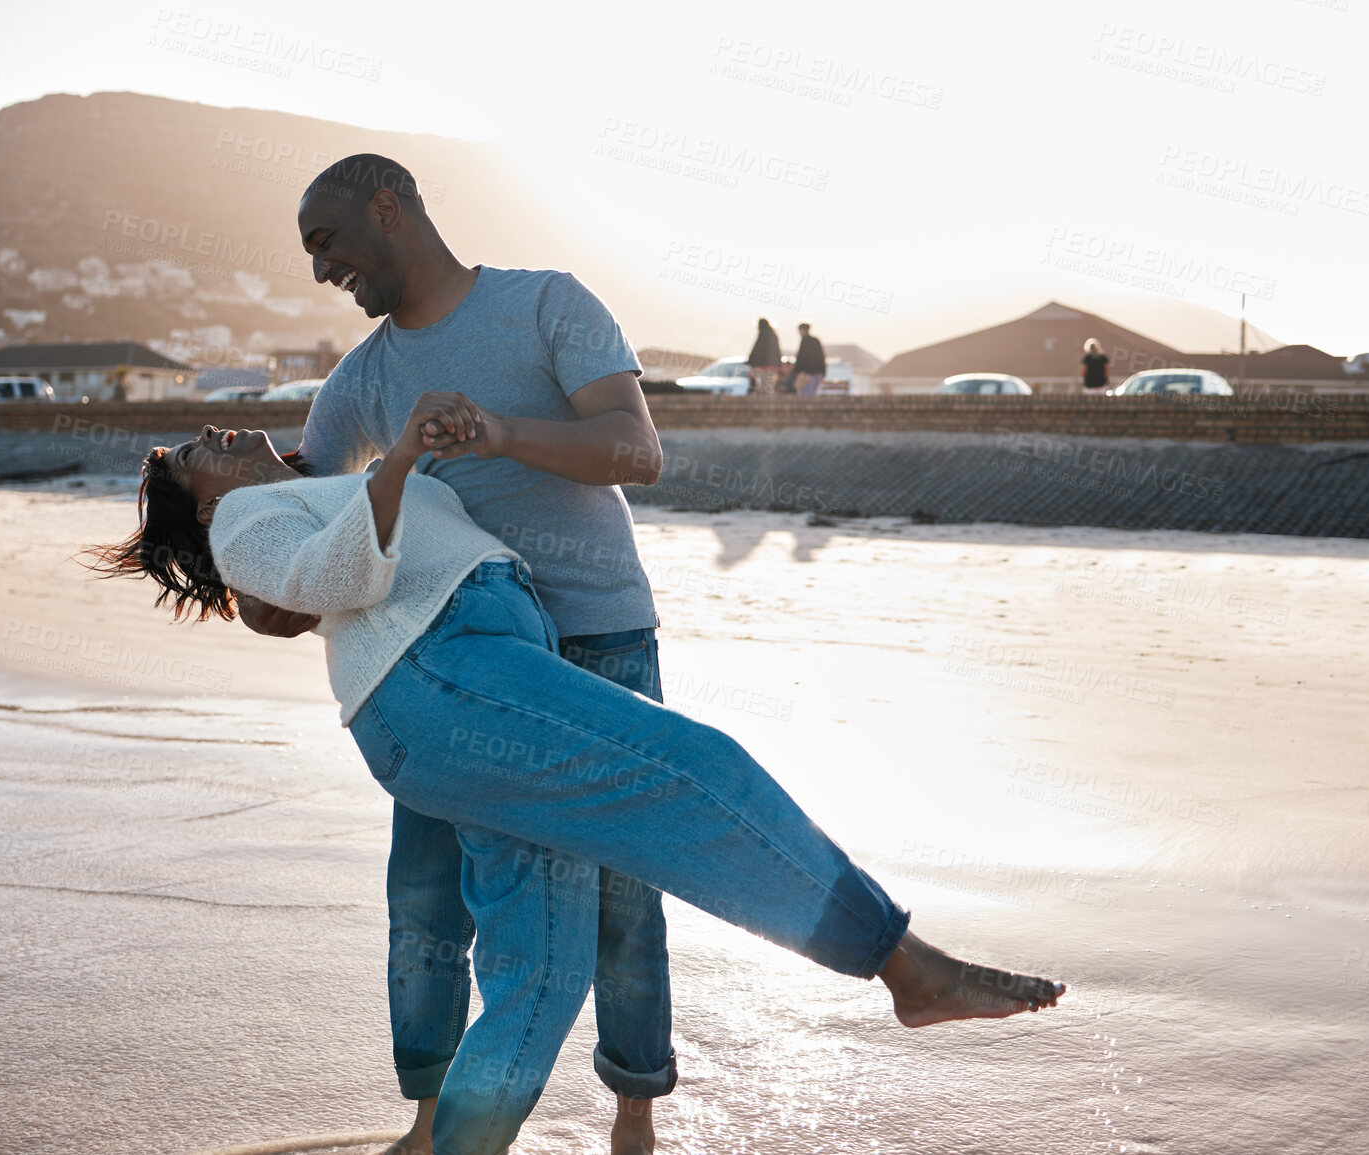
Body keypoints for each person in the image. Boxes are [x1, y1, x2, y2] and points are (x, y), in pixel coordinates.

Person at [89, 416, 1067, 1155]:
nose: (202, 436)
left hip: (460, 699)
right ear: (204, 504)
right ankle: (901, 964)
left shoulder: (313, 484)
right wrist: (399, 462)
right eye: (184, 455)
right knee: (696, 770)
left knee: (539, 976)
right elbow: (334, 578)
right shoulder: (250, 519)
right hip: (444, 676)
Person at [236, 153, 676, 1155]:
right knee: (428, 898)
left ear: (387, 212)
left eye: (327, 243)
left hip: (597, 639)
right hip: (450, 661)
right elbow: (308, 550)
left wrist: (497, 432)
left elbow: (637, 451)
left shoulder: (547, 305)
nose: (319, 270)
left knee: (622, 891)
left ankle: (633, 1120)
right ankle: (435, 1124)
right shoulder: (358, 385)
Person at [747, 319, 782, 396]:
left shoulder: (763, 333)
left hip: (764, 364)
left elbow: (758, 349)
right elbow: (777, 351)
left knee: (763, 385)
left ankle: (765, 401)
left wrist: (752, 362)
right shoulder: (773, 334)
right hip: (773, 364)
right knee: (768, 385)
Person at [792, 323, 826, 396]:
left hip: (808, 373)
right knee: (813, 393)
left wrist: (797, 370)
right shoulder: (816, 340)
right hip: (818, 371)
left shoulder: (805, 341)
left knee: (806, 394)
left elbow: (802, 358)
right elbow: (821, 356)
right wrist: (823, 371)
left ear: (802, 330)